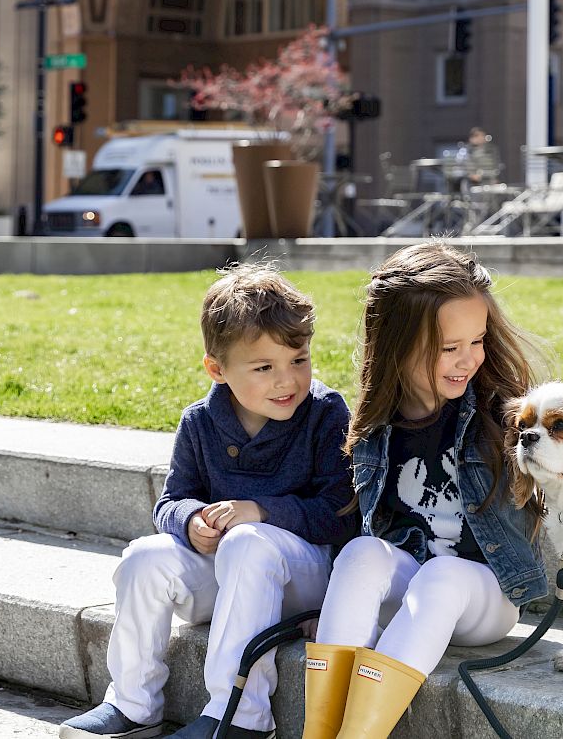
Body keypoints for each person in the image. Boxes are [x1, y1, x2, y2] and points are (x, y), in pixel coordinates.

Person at [60, 263, 355, 739]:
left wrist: (258, 511)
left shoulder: (324, 413)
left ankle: (240, 718)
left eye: (298, 360)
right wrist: (191, 519)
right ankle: (133, 705)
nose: (287, 381)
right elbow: (171, 501)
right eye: (264, 368)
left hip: (301, 576)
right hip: (228, 576)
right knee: (144, 557)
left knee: (249, 541)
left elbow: (339, 513)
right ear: (217, 370)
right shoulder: (200, 421)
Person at [301, 242, 548, 739]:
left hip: (484, 596)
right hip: (408, 589)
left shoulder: (503, 415)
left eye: (476, 341)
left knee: (444, 576)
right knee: (362, 552)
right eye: (449, 348)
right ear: (396, 344)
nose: (468, 360)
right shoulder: (373, 428)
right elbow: (356, 523)